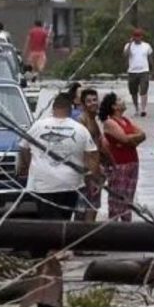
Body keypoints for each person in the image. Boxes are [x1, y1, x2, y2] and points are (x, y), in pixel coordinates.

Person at [18, 92, 99, 221]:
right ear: (70, 110)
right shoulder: (80, 129)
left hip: (42, 184)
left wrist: (30, 166)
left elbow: (23, 147)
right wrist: (92, 179)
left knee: (46, 221)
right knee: (65, 219)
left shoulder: (38, 125)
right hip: (70, 184)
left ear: (53, 109)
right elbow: (93, 155)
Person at [98, 92, 145, 221]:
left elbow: (143, 134)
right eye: (119, 99)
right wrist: (132, 139)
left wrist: (131, 139)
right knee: (117, 199)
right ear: (114, 106)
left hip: (132, 161)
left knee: (128, 199)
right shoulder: (110, 122)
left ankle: (126, 225)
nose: (123, 100)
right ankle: (114, 228)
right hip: (119, 164)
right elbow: (125, 139)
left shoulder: (125, 120)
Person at [77, 88, 109, 222]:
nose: (93, 103)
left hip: (96, 169)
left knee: (93, 206)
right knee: (84, 208)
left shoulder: (95, 120)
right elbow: (82, 148)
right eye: (89, 101)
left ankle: (86, 238)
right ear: (83, 105)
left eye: (95, 100)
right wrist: (91, 172)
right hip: (87, 171)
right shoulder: (81, 121)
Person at [123, 28, 153, 117]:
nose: (137, 38)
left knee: (143, 90)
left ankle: (143, 109)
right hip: (132, 71)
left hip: (144, 71)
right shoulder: (128, 46)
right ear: (132, 37)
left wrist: (152, 69)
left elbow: (150, 57)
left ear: (141, 37)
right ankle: (136, 108)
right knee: (133, 91)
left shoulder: (146, 46)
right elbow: (125, 55)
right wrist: (130, 44)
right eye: (135, 36)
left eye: (139, 36)